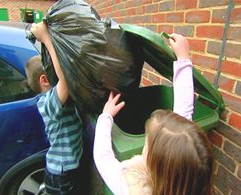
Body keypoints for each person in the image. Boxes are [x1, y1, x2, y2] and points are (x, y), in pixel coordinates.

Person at [93, 34, 214, 195]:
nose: (144, 145)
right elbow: (184, 110)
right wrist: (183, 59)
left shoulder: (130, 187)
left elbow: (103, 158)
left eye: (147, 144)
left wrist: (105, 116)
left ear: (154, 163)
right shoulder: (191, 182)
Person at [26, 21, 84, 194]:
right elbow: (65, 77)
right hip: (60, 176)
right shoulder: (48, 103)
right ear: (44, 80)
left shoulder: (55, 98)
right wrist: (46, 39)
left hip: (68, 170)